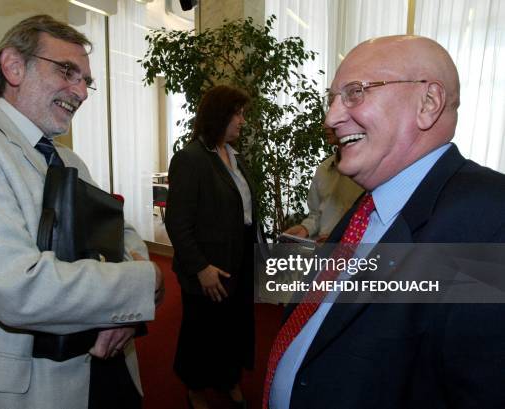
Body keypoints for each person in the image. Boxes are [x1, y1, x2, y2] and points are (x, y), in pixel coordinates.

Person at [0, 15, 163, 409]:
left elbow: (123, 235)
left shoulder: (69, 158)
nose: (81, 91)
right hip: (29, 387)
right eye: (68, 71)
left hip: (110, 365)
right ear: (13, 67)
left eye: (86, 81)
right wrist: (145, 282)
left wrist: (126, 313)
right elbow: (16, 288)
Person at [263, 35, 505, 409]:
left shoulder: (490, 219)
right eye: (332, 99)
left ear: (428, 103)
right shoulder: (368, 205)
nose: (330, 118)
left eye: (356, 92)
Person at [165, 85, 257, 409]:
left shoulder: (235, 155)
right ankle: (195, 388)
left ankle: (227, 379)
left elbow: (243, 210)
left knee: (233, 326)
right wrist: (200, 267)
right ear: (221, 114)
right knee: (201, 332)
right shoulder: (190, 159)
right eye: (238, 113)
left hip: (239, 257)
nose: (242, 121)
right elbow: (177, 222)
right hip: (207, 264)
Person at [284, 128, 362, 242]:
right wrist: (305, 228)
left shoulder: (373, 173)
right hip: (323, 252)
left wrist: (336, 240)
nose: (326, 124)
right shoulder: (324, 169)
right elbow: (316, 214)